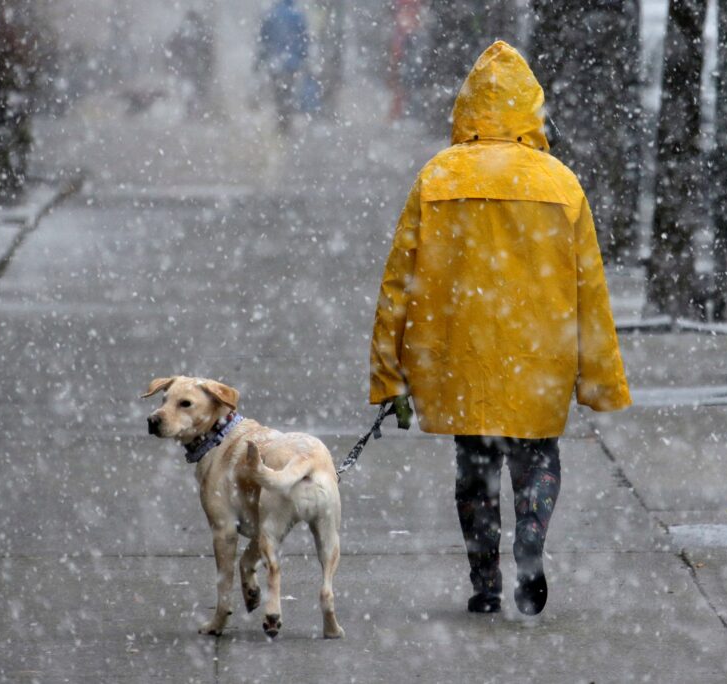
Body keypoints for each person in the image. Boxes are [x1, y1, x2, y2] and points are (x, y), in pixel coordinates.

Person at [369, 41, 631, 616]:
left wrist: (390, 374)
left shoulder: (437, 178)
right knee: (536, 457)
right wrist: (600, 379)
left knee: (475, 467)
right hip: (540, 353)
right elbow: (590, 290)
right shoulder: (561, 183)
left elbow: (399, 285)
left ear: (466, 110)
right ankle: (530, 546)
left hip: (462, 354)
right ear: (530, 111)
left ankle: (485, 585)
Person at [256, 0, 309, 134]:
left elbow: (264, 38)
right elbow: (304, 39)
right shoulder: (297, 15)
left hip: (275, 62)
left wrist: (260, 60)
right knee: (289, 91)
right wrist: (303, 56)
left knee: (277, 92)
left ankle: (281, 120)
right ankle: (286, 120)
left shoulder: (271, 14)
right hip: (292, 63)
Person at [167, 10, 215, 118]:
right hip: (194, 69)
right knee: (193, 90)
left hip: (189, 69)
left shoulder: (183, 32)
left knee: (191, 90)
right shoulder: (201, 33)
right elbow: (208, 52)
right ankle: (193, 112)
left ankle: (192, 111)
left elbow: (172, 46)